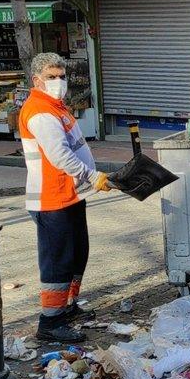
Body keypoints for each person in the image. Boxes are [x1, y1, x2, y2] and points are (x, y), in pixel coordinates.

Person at [19, 53, 113, 342]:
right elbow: (59, 155)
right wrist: (91, 175)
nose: (59, 81)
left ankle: (67, 307)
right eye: (51, 77)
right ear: (37, 80)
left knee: (76, 254)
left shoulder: (56, 107)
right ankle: (50, 322)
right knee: (57, 261)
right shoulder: (40, 111)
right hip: (51, 198)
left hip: (68, 195)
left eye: (61, 76)